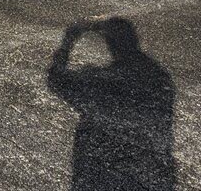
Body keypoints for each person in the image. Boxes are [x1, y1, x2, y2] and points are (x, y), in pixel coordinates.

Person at [48, 18, 176, 190]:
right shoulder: (159, 77)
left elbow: (57, 81)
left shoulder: (104, 81)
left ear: (109, 44)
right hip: (151, 176)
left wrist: (68, 42)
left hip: (104, 176)